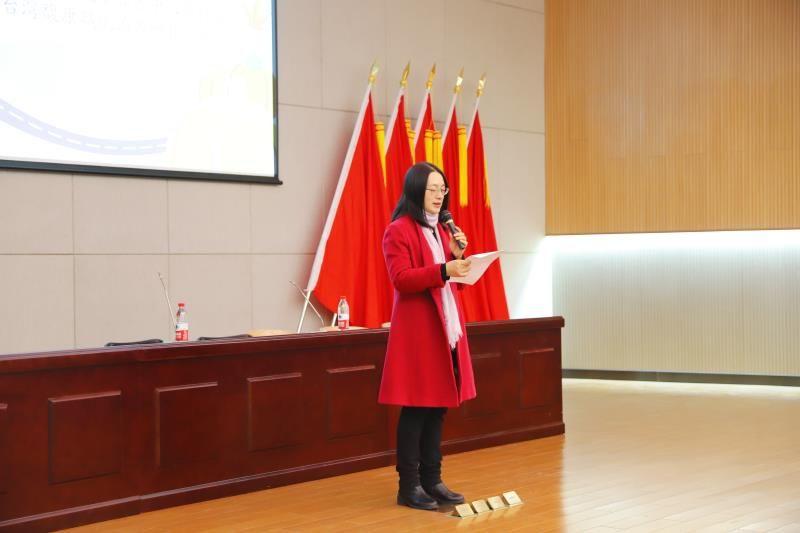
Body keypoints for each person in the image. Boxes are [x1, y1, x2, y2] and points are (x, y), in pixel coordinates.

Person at [379, 162, 477, 511]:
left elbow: (447, 283)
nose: (439, 195)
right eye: (432, 189)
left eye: (442, 189)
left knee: (438, 407)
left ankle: (432, 480)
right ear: (416, 190)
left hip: (445, 329)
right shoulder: (398, 230)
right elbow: (402, 279)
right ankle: (409, 486)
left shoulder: (440, 230)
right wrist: (444, 269)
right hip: (419, 333)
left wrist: (457, 259)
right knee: (417, 409)